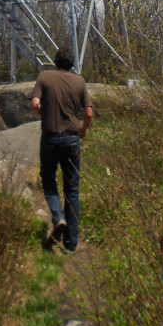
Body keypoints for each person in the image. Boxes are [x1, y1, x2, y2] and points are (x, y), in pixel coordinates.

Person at [31, 45, 93, 252]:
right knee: (72, 190)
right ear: (72, 63)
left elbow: (34, 103)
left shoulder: (44, 77)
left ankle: (58, 217)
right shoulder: (80, 81)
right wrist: (83, 130)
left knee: (48, 180)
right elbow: (89, 113)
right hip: (72, 139)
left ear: (55, 61)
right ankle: (71, 243)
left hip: (49, 138)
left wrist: (44, 115)